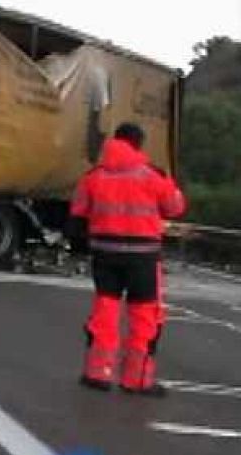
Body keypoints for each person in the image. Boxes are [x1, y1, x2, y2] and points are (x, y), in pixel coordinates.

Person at [70, 122, 186, 396]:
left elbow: (78, 212)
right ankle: (137, 379)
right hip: (143, 257)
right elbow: (175, 207)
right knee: (144, 316)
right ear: (138, 143)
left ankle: (97, 373)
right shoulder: (152, 175)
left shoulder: (94, 176)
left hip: (105, 254)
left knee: (105, 311)